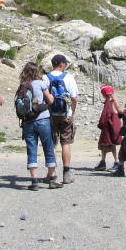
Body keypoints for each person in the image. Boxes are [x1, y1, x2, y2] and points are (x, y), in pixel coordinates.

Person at [16, 62, 62, 190]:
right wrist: (51, 97)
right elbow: (50, 100)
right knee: (48, 147)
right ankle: (52, 179)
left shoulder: (23, 85)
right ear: (36, 72)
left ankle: (34, 181)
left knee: (32, 150)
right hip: (43, 119)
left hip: (28, 121)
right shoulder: (40, 83)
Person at [45, 54, 79, 184]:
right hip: (66, 114)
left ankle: (51, 174)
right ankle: (66, 173)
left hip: (51, 115)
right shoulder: (69, 77)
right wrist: (72, 111)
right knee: (65, 143)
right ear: (61, 64)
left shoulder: (45, 77)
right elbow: (74, 97)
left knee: (53, 144)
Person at [96, 84, 123, 172]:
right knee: (105, 144)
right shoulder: (114, 100)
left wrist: (101, 124)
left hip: (109, 127)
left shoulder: (109, 102)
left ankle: (116, 162)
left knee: (108, 144)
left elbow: (105, 115)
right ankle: (103, 161)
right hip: (114, 125)